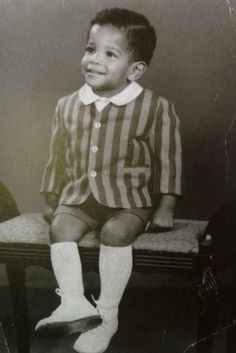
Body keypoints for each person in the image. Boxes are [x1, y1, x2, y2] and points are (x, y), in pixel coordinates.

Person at [35, 7, 182, 353]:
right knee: (60, 227)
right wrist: (51, 198)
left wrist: (167, 206)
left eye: (109, 54)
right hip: (81, 198)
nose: (94, 60)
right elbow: (56, 156)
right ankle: (74, 303)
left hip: (129, 202)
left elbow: (169, 157)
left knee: (115, 233)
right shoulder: (68, 105)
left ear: (135, 70)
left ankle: (106, 316)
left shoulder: (155, 107)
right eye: (90, 49)